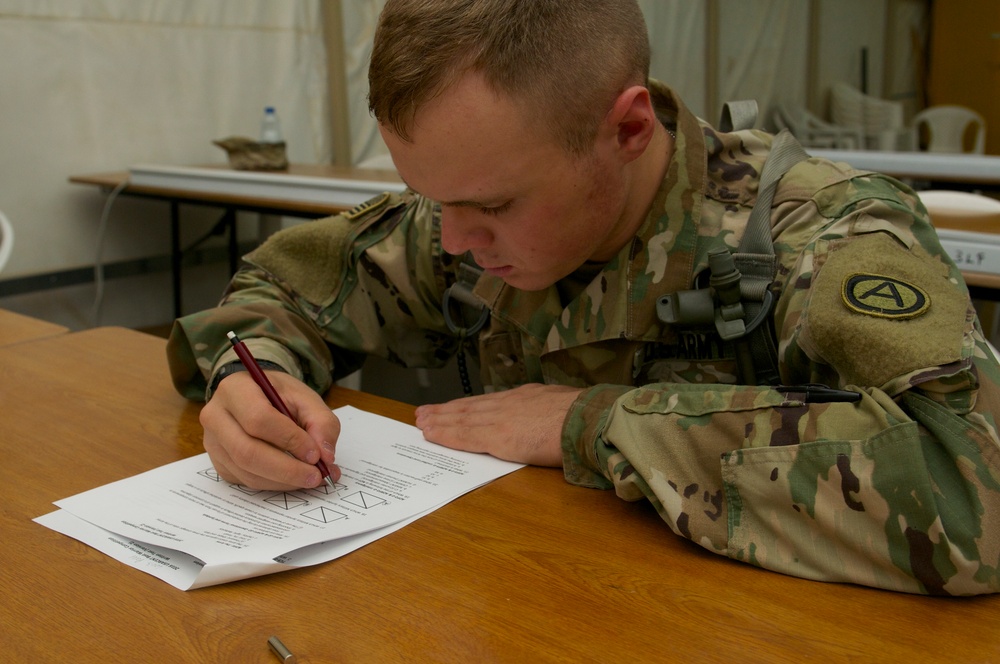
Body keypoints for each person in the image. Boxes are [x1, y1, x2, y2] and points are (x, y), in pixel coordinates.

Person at [166, 0, 1000, 595]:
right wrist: (249, 380)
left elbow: (976, 493)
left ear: (629, 128)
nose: (453, 241)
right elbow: (279, 287)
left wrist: (595, 423)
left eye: (492, 206)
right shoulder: (460, 223)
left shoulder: (820, 236)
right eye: (432, 198)